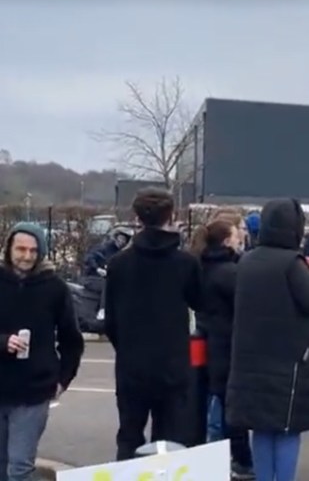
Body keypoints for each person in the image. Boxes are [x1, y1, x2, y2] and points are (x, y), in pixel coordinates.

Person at [228, 198, 309, 481]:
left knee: (261, 428)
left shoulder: (247, 260)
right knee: (287, 429)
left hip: (251, 357)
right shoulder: (292, 263)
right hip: (288, 361)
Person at [103, 187, 203, 460]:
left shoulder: (119, 264)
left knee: (129, 436)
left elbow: (110, 320)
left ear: (136, 218)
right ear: (171, 216)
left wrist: (126, 348)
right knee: (170, 443)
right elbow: (201, 303)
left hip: (132, 365)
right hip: (173, 364)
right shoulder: (185, 263)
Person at [0, 223, 84, 481]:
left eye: (33, 250)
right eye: (20, 249)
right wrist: (4, 342)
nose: (26, 256)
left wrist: (62, 379)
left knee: (19, 468)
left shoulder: (54, 288)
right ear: (8, 249)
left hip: (33, 391)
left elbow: (72, 339)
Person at [190, 218, 254, 480]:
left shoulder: (200, 266)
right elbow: (246, 308)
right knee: (226, 407)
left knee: (207, 400)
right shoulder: (230, 272)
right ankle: (240, 460)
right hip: (226, 345)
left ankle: (211, 455)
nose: (242, 237)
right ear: (227, 240)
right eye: (238, 234)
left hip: (204, 340)